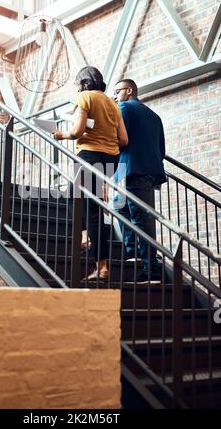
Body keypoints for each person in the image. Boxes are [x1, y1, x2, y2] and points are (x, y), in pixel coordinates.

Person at [53, 66, 128, 280]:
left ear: (83, 82)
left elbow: (76, 131)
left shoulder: (84, 97)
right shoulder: (113, 104)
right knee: (75, 198)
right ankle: (85, 237)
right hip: (111, 159)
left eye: (77, 83)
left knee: (84, 205)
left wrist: (61, 134)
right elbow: (124, 140)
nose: (76, 87)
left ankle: (101, 265)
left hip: (89, 156)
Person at [113, 78, 166, 282]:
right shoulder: (154, 116)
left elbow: (119, 138)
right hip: (146, 169)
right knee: (120, 208)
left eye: (117, 92)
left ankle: (150, 269)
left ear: (129, 90)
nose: (115, 96)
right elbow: (162, 149)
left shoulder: (124, 107)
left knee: (141, 219)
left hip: (132, 168)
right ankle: (132, 252)